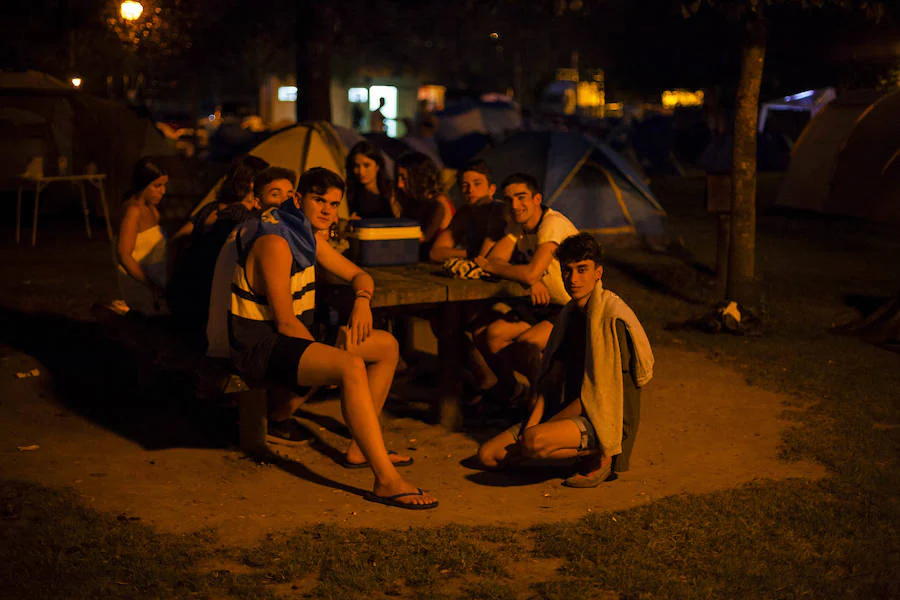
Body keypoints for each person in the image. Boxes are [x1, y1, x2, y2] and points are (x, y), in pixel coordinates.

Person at [228, 167, 437, 509]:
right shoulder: (276, 240)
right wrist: (331, 354)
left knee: (386, 346)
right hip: (259, 345)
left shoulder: (306, 234)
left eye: (334, 204)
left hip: (293, 337)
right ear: (298, 199)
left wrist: (362, 302)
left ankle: (359, 447)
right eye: (319, 200)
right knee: (350, 366)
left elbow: (359, 274)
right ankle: (386, 480)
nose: (327, 210)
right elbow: (283, 322)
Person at [477, 232, 654, 487]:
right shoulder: (569, 315)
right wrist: (532, 425)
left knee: (533, 442)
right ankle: (556, 449)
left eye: (582, 270)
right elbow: (550, 383)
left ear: (598, 272)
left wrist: (538, 432)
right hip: (571, 413)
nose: (574, 279)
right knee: (488, 455)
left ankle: (599, 456)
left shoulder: (612, 319)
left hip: (607, 420)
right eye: (567, 271)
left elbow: (596, 397)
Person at [472, 173, 579, 404]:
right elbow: (496, 260)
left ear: (537, 198)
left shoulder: (552, 224)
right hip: (541, 305)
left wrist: (528, 275)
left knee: (526, 346)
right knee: (488, 335)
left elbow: (513, 268)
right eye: (509, 199)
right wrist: (530, 277)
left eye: (522, 198)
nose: (515, 205)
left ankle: (544, 399)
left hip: (571, 308)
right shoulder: (518, 225)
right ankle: (516, 392)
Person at [166, 155, 269, 339]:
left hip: (187, 291)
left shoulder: (212, 208)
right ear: (253, 184)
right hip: (210, 298)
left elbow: (176, 239)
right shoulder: (244, 216)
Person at [116, 157, 169, 316]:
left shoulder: (151, 208)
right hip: (142, 283)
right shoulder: (133, 211)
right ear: (142, 185)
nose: (163, 191)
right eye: (157, 186)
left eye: (164, 185)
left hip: (158, 277)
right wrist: (151, 286)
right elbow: (124, 255)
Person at [429, 159, 506, 263]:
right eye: (465, 185)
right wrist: (470, 253)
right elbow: (435, 253)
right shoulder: (466, 212)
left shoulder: (498, 210)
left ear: (491, 189)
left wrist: (467, 254)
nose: (470, 190)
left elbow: (484, 257)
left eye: (477, 184)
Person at [395, 151, 454, 254]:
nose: (399, 184)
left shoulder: (438, 204)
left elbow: (421, 239)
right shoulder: (414, 201)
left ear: (418, 178)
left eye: (404, 179)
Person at [345, 141, 398, 220]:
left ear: (377, 166)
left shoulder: (392, 189)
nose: (361, 171)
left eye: (366, 165)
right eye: (356, 166)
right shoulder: (351, 193)